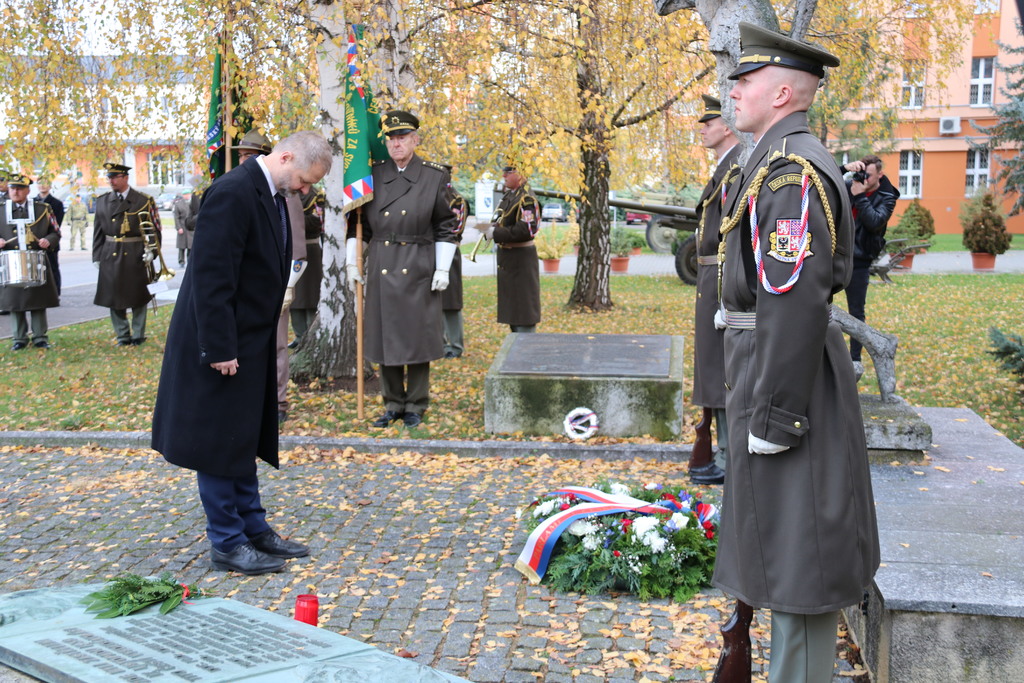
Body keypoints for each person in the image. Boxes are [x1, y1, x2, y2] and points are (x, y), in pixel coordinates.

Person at [714, 23, 880, 682]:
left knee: (798, 554)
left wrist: (776, 413)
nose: (734, 90)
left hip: (788, 379)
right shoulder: (775, 160)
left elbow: (792, 299)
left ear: (783, 91)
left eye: (746, 79)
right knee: (782, 547)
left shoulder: (788, 173)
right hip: (774, 368)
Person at [151, 131, 332, 575]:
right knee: (218, 442)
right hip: (223, 344)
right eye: (305, 180)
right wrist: (220, 347)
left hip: (249, 341)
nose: (305, 190)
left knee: (242, 437)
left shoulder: (268, 191)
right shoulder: (233, 192)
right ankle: (227, 541)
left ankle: (254, 528)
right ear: (285, 156)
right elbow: (212, 277)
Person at [345, 110, 459, 429]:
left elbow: (446, 226)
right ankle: (392, 403)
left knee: (417, 335)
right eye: (391, 139)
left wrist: (442, 268)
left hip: (419, 262)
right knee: (385, 335)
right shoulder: (373, 174)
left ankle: (417, 404)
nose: (396, 144)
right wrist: (352, 261)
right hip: (382, 259)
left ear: (414, 140)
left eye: (402, 138)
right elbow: (358, 225)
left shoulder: (434, 176)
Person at [688, 95, 741, 486]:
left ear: (727, 126)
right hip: (710, 279)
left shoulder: (736, 169)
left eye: (709, 121)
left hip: (721, 280)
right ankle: (721, 449)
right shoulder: (724, 169)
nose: (702, 128)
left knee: (721, 368)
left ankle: (727, 453)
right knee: (712, 368)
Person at [838, 154, 899, 377]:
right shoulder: (849, 184)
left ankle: (855, 360)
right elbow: (823, 181)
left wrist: (860, 197)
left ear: (879, 175)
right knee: (820, 307)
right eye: (860, 173)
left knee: (856, 313)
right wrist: (844, 168)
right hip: (836, 256)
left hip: (860, 259)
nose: (863, 178)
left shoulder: (887, 195)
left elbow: (875, 222)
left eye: (868, 175)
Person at [92, 162, 161, 346]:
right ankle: (122, 334)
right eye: (109, 177)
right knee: (114, 295)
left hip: (136, 252)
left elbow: (154, 229)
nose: (111, 181)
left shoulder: (143, 200)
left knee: (139, 295)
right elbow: (98, 232)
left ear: (125, 178)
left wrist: (152, 252)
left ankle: (138, 334)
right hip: (110, 252)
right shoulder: (102, 201)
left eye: (115, 177)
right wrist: (97, 256)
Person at [0, 174, 60, 349]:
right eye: (12, 188)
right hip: (10, 261)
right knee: (14, 301)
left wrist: (49, 240)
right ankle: (19, 339)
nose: (15, 192)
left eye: (19, 188)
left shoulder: (43, 209)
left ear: (27, 190)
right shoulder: (1, 209)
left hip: (36, 259)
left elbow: (55, 231)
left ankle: (40, 337)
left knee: (38, 300)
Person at [486, 165, 541, 333]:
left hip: (520, 260)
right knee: (513, 309)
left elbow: (527, 229)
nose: (503, 175)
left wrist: (496, 232)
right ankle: (516, 346)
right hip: (510, 259)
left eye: (508, 172)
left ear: (520, 174)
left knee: (523, 310)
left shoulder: (526, 199)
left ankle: (525, 349)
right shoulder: (510, 196)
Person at [289, 187, 325, 348]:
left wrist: (296, 220)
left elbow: (318, 223)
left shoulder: (317, 196)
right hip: (291, 252)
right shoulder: (287, 194)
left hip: (311, 251)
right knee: (293, 296)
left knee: (311, 296)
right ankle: (299, 335)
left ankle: (311, 336)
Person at [441, 185, 468, 358]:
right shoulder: (430, 192)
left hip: (448, 251)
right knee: (433, 302)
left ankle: (455, 346)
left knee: (451, 302)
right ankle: (440, 344)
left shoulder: (455, 200)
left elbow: (454, 228)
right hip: (429, 252)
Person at [34, 180, 64, 296]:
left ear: (50, 186)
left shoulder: (56, 203)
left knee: (52, 267)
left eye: (45, 183)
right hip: (35, 241)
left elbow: (57, 224)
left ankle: (56, 292)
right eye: (40, 183)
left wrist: (48, 238)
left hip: (50, 241)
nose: (42, 186)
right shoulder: (32, 202)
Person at [172, 193, 193, 266]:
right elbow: (176, 217)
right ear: (183, 195)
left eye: (188, 194)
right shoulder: (178, 204)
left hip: (190, 227)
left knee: (190, 246)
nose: (187, 196)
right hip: (182, 226)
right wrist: (179, 227)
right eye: (186, 194)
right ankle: (181, 261)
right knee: (182, 247)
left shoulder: (193, 203)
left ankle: (190, 261)